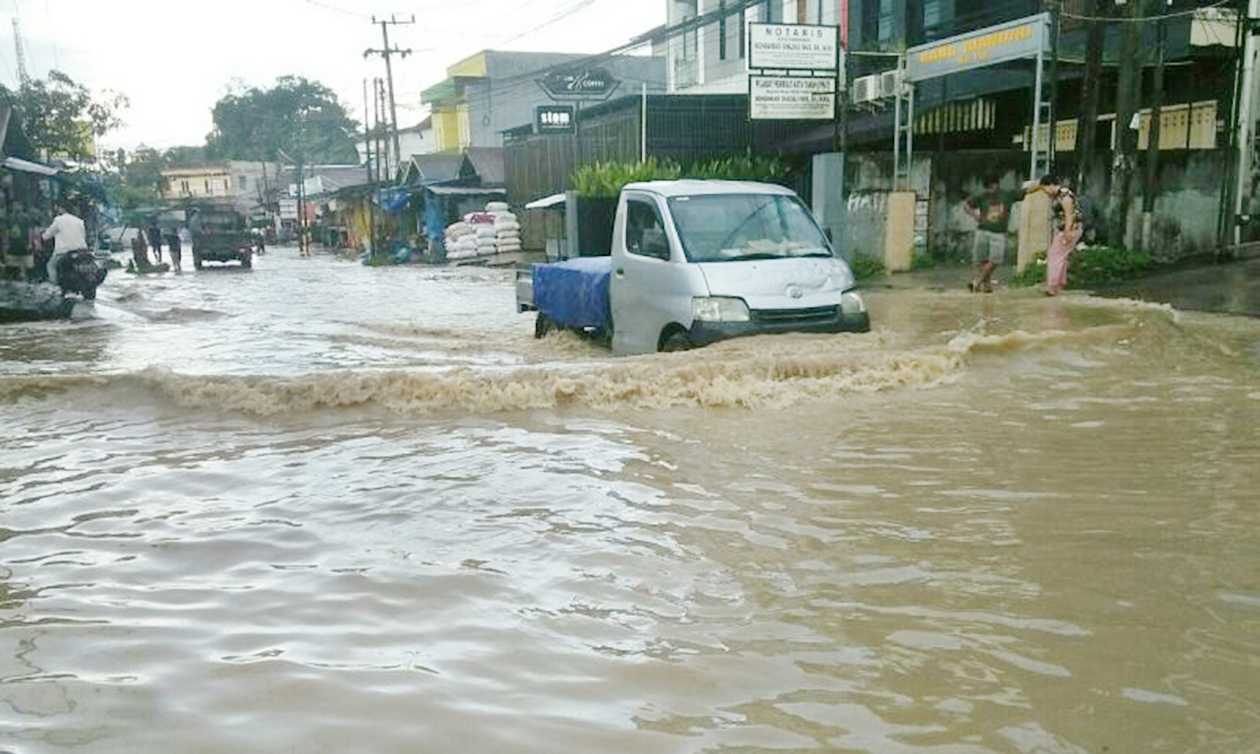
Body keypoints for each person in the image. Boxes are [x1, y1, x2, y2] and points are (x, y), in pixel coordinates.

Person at [963, 175, 1017, 293]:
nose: (989, 190)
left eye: (991, 187)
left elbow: (1025, 191)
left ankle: (977, 281)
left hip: (999, 232)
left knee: (995, 260)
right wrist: (975, 216)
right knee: (982, 259)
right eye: (987, 188)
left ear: (996, 185)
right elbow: (966, 205)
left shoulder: (1007, 195)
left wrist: (1041, 186)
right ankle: (987, 285)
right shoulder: (982, 196)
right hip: (982, 230)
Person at [1037, 174, 1083, 297]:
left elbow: (1069, 215)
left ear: (1051, 185)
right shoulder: (1061, 195)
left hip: (1069, 230)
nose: (1045, 192)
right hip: (1070, 229)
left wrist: (1067, 232)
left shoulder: (1065, 196)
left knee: (1054, 256)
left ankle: (1052, 286)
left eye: (1044, 188)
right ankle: (1058, 284)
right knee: (1060, 256)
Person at [41, 202, 88, 286]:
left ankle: (55, 285)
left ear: (62, 209)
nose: (57, 210)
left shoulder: (58, 220)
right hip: (82, 250)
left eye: (58, 208)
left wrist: (43, 235)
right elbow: (83, 236)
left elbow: (47, 235)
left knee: (50, 265)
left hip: (64, 251)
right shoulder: (79, 221)